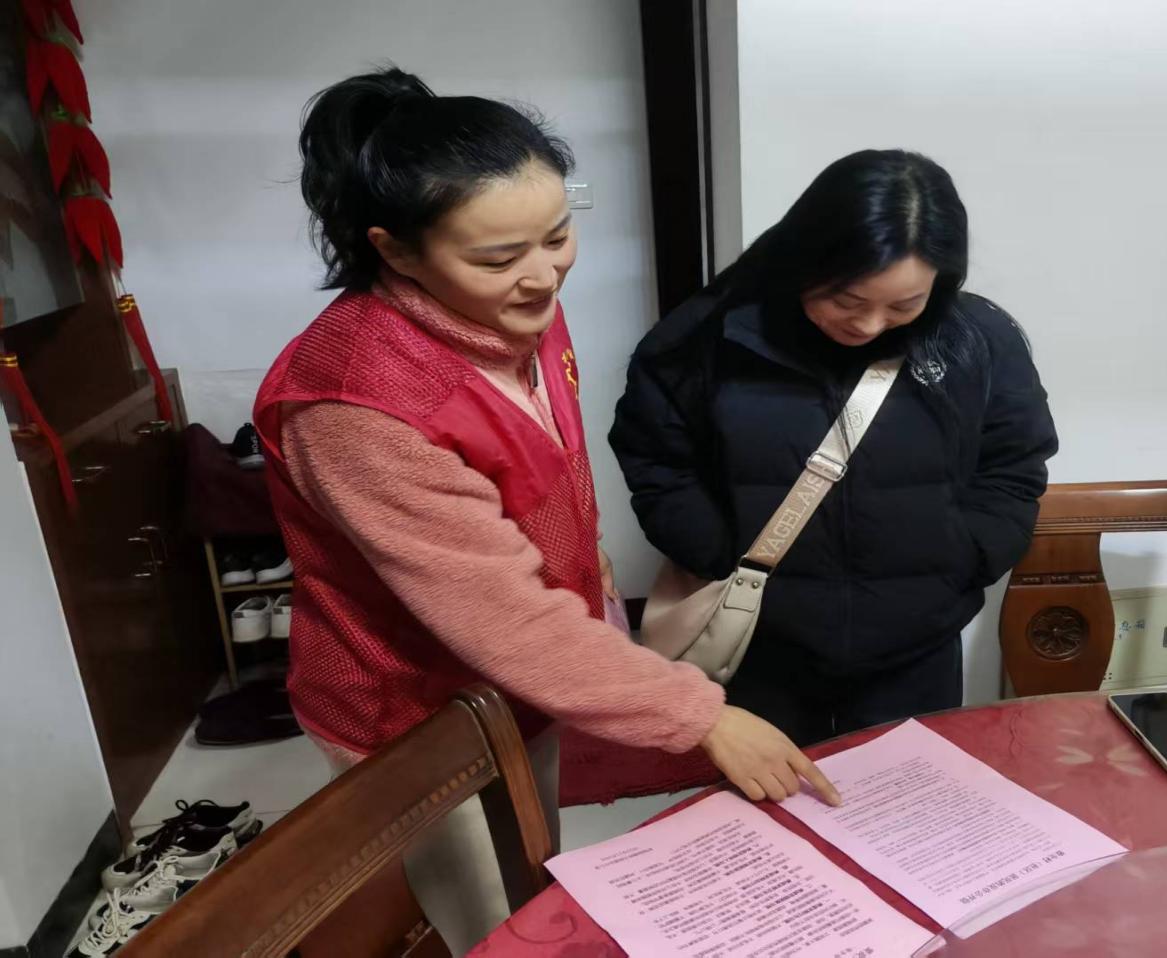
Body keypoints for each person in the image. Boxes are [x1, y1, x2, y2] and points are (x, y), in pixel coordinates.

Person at [253, 67, 837, 954]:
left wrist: (585, 566)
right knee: (496, 923)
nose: (541, 275)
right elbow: (497, 613)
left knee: (535, 858)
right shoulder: (354, 404)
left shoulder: (511, 311)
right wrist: (702, 717)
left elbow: (540, 466)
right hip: (412, 708)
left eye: (558, 235)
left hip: (524, 669)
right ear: (396, 253)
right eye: (497, 258)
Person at [611, 150, 1058, 747]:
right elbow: (657, 463)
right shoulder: (706, 338)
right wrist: (719, 554)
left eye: (904, 305)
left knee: (903, 797)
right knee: (774, 801)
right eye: (846, 300)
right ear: (806, 258)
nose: (869, 325)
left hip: (915, 650)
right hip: (761, 647)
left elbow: (1014, 464)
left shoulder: (977, 342)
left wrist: (966, 557)